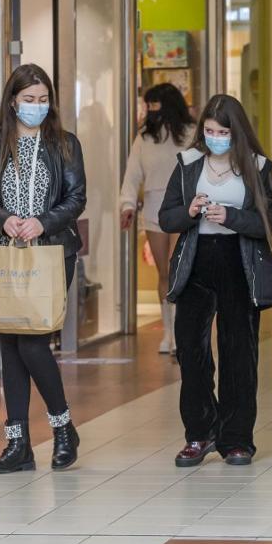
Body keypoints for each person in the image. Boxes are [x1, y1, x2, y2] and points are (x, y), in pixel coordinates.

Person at [159, 94, 272, 467]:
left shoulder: (256, 167)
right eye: (209, 131)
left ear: (237, 133)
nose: (215, 137)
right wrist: (189, 211)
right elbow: (166, 217)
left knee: (239, 354)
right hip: (195, 264)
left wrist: (231, 216)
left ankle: (237, 439)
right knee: (192, 352)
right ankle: (200, 433)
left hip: (240, 264)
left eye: (222, 132)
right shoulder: (187, 165)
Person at [0, 64, 86, 474]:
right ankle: (17, 444)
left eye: (43, 100)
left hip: (52, 252)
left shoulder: (65, 144)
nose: (37, 107)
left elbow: (76, 198)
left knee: (34, 342)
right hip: (5, 252)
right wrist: (4, 219)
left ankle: (62, 428)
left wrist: (43, 221)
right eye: (29, 100)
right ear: (12, 102)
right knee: (10, 345)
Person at [120, 83, 194, 355]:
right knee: (164, 273)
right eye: (147, 105)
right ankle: (169, 332)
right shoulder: (144, 138)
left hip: (185, 207)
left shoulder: (191, 134)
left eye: (155, 104)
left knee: (178, 270)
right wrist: (127, 204)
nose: (150, 110)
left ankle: (180, 332)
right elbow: (132, 174)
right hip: (153, 208)